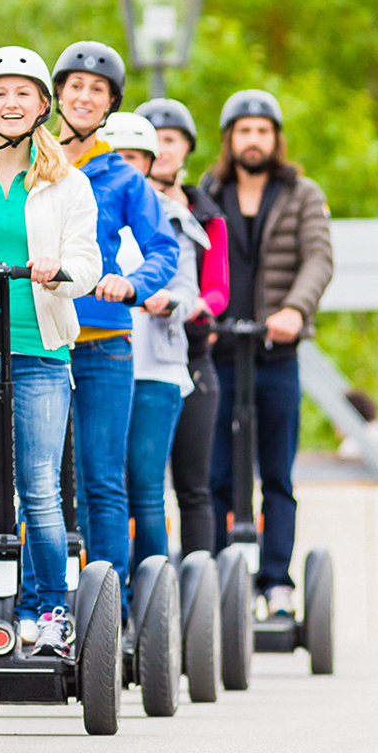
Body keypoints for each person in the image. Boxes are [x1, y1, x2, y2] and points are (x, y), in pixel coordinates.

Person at [0, 46, 100, 657]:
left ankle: (48, 612)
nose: (11, 103)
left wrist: (59, 271)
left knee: (39, 490)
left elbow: (89, 264)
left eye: (23, 93)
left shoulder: (67, 182)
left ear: (41, 106)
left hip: (40, 350)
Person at [49, 41, 179, 631]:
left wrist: (129, 283)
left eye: (96, 90)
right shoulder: (29, 160)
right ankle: (41, 606)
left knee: (101, 479)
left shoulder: (122, 176)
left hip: (102, 341)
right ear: (57, 96)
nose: (83, 96)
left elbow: (164, 249)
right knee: (42, 481)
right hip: (38, 337)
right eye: (74, 86)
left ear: (110, 104)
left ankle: (109, 615)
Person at [201, 89, 333, 616]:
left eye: (262, 131)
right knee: (214, 476)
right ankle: (211, 581)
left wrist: (295, 311)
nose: (252, 140)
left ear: (275, 139)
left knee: (276, 474)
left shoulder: (301, 193)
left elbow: (318, 259)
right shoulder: (208, 192)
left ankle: (276, 582)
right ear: (229, 139)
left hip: (275, 355)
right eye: (243, 130)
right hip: (220, 352)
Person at [98, 112, 200, 576]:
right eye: (116, 156)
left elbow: (190, 291)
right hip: (97, 360)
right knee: (101, 485)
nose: (125, 166)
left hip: (154, 367)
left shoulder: (170, 215)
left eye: (135, 157)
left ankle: (152, 596)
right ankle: (105, 593)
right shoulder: (84, 209)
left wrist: (165, 300)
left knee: (144, 486)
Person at [133, 98, 230, 559]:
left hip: (189, 351)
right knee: (135, 480)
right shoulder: (123, 205)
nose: (163, 149)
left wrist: (185, 307)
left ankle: (198, 586)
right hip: (135, 354)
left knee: (193, 482)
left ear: (186, 149)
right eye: (153, 140)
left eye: (170, 140)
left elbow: (216, 288)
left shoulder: (204, 215)